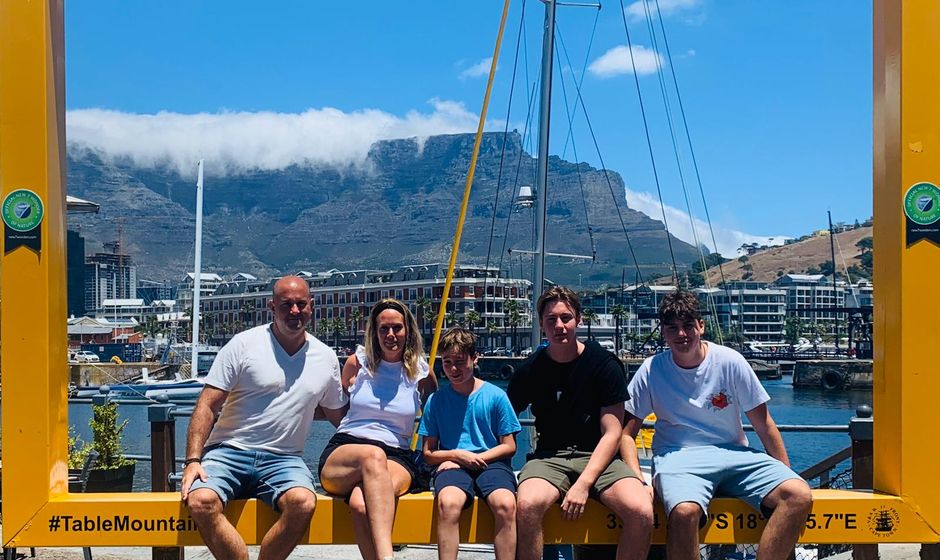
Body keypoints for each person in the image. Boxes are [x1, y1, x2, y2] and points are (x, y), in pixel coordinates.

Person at [624, 290, 813, 560]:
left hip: (734, 453)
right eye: (672, 328)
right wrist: (636, 480)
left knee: (797, 495)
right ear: (664, 333)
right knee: (684, 512)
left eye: (688, 325)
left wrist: (784, 473)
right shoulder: (652, 369)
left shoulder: (730, 361)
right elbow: (626, 433)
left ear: (701, 326)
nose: (681, 335)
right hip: (677, 456)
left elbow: (764, 424)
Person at [180, 275, 348, 560]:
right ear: (272, 307)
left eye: (300, 304)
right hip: (228, 452)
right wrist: (193, 460)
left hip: (285, 459)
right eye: (286, 305)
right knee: (201, 501)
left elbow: (340, 417)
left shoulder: (326, 357)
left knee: (303, 503)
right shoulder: (243, 345)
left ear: (311, 306)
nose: (294, 311)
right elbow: (207, 405)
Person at [507, 286, 653, 560]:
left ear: (579, 320)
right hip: (549, 457)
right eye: (551, 319)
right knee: (526, 505)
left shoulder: (604, 365)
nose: (559, 326)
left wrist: (583, 485)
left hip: (599, 456)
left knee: (641, 511)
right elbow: (502, 421)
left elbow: (612, 433)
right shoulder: (529, 370)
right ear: (541, 324)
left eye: (566, 318)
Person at [318, 298, 438, 560]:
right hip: (347, 449)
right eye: (383, 329)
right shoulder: (357, 363)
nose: (391, 335)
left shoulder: (421, 373)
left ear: (408, 330)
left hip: (397, 456)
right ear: (374, 331)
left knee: (361, 505)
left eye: (397, 327)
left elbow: (439, 416)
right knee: (372, 456)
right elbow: (334, 406)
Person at [418, 328, 521, 560]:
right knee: (448, 503)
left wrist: (477, 458)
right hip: (452, 464)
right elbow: (428, 453)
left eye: (460, 362)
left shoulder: (495, 396)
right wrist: (457, 456)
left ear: (474, 359)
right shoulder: (436, 401)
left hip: (492, 463)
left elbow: (509, 445)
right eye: (447, 362)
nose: (453, 369)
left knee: (505, 505)